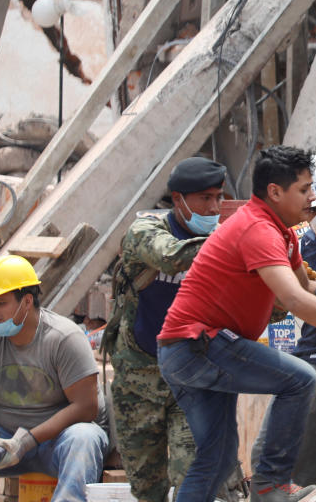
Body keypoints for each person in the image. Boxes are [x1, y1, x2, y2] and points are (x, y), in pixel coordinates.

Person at [157, 145, 316, 502]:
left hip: (185, 350)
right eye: (304, 189)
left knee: (217, 459)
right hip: (198, 346)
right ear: (275, 192)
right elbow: (296, 302)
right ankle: (270, 487)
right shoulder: (258, 229)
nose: (312, 198)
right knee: (301, 380)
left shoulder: (280, 232)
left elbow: (306, 286)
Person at [108, 156, 229, 502]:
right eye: (205, 199)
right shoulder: (145, 232)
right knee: (148, 490)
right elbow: (171, 257)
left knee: (193, 477)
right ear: (178, 200)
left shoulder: (224, 242)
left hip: (190, 378)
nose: (215, 206)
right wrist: (236, 240)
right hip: (137, 381)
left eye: (219, 198)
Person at [249, 154, 316, 491]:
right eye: (314, 209)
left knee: (295, 471)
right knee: (264, 456)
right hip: (304, 360)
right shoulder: (298, 242)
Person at [0, 255, 109, 501]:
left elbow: (87, 408)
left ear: (26, 301)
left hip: (56, 444)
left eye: (0, 303)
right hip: (3, 442)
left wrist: (26, 442)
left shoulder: (63, 338)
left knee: (85, 438)